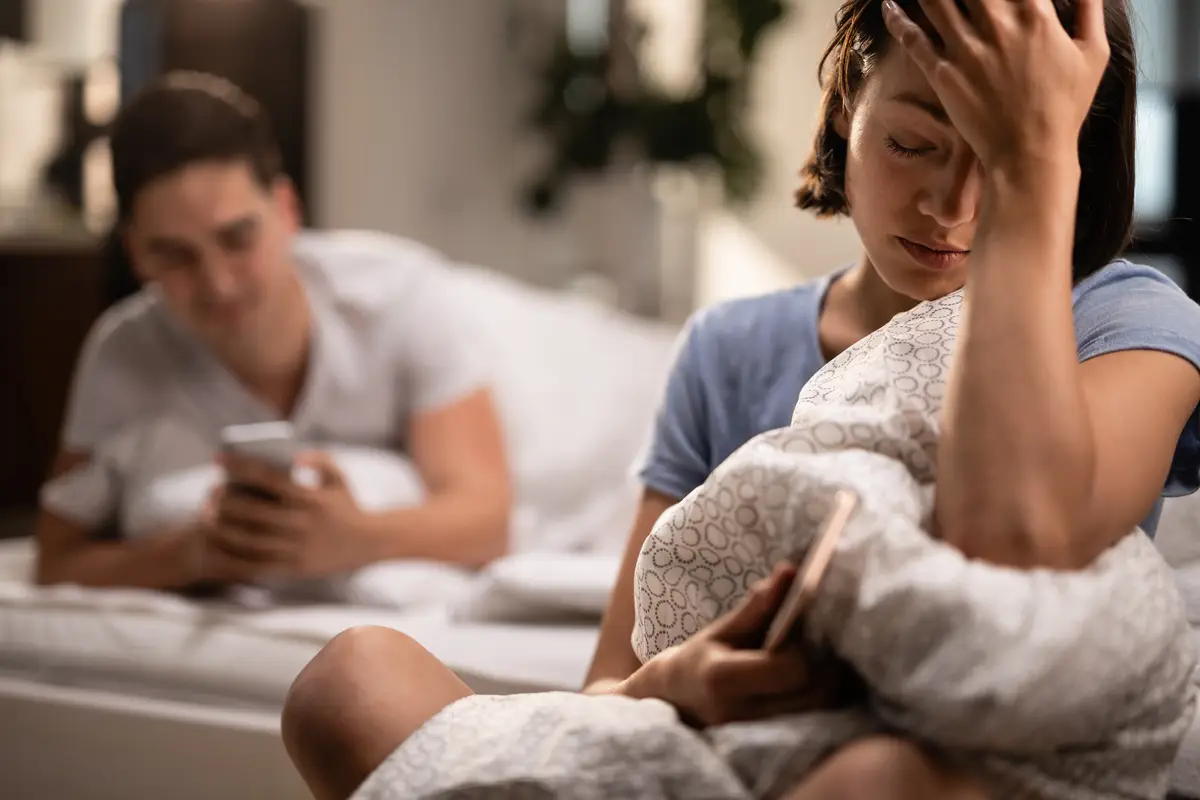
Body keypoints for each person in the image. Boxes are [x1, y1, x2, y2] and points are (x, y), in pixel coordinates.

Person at [281, 1, 1200, 798]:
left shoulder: (1130, 321)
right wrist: (681, 681)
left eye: (997, 160)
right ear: (849, 102)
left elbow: (1020, 534)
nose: (951, 208)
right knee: (351, 679)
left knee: (874, 780)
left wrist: (1034, 161)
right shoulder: (731, 348)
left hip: (950, 763)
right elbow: (608, 693)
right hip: (707, 746)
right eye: (913, 143)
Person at [34, 72, 512, 590]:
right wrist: (189, 555)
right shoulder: (123, 353)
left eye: (237, 239)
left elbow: (488, 521)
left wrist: (361, 538)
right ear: (135, 253)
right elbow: (56, 561)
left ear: (286, 210)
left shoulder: (397, 297)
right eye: (174, 255)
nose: (218, 284)